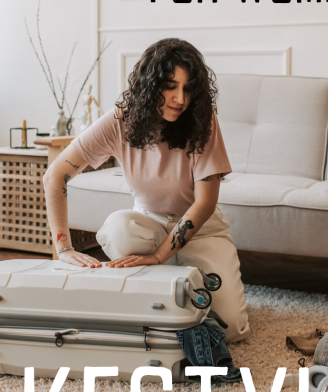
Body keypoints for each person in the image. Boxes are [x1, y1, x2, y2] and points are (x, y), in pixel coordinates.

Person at [43, 38, 249, 342]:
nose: (180, 98)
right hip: (148, 224)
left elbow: (205, 203)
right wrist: (64, 248)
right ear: (150, 84)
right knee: (118, 229)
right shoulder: (120, 119)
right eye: (170, 86)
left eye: (188, 88)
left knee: (230, 329)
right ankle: (163, 284)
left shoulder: (202, 121)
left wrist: (158, 257)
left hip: (201, 229)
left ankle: (171, 270)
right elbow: (55, 175)